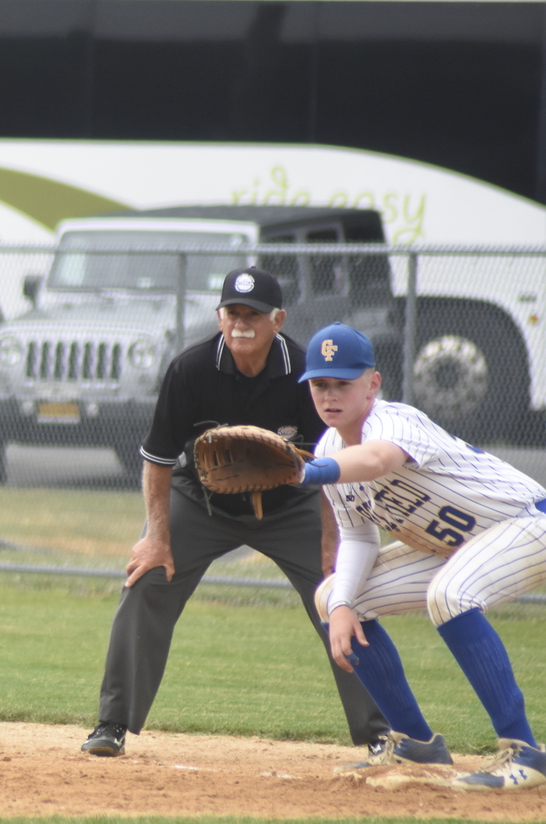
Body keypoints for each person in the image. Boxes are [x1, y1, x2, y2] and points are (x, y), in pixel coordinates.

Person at [81, 266, 388, 758]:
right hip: (203, 501)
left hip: (295, 502)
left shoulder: (306, 371)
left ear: (278, 319)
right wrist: (157, 536)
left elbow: (335, 461)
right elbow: (158, 460)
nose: (242, 323)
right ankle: (111, 723)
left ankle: (381, 730)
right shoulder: (191, 369)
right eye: (233, 312)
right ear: (219, 317)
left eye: (254, 314)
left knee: (344, 593)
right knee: (146, 579)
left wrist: (336, 541)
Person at [298, 323, 546, 790]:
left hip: (526, 522)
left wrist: (308, 473)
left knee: (450, 594)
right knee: (332, 595)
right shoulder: (329, 449)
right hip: (455, 545)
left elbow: (375, 462)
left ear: (373, 383)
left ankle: (526, 753)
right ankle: (416, 745)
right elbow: (357, 539)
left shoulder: (395, 421)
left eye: (342, 383)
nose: (330, 395)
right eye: (319, 384)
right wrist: (344, 607)